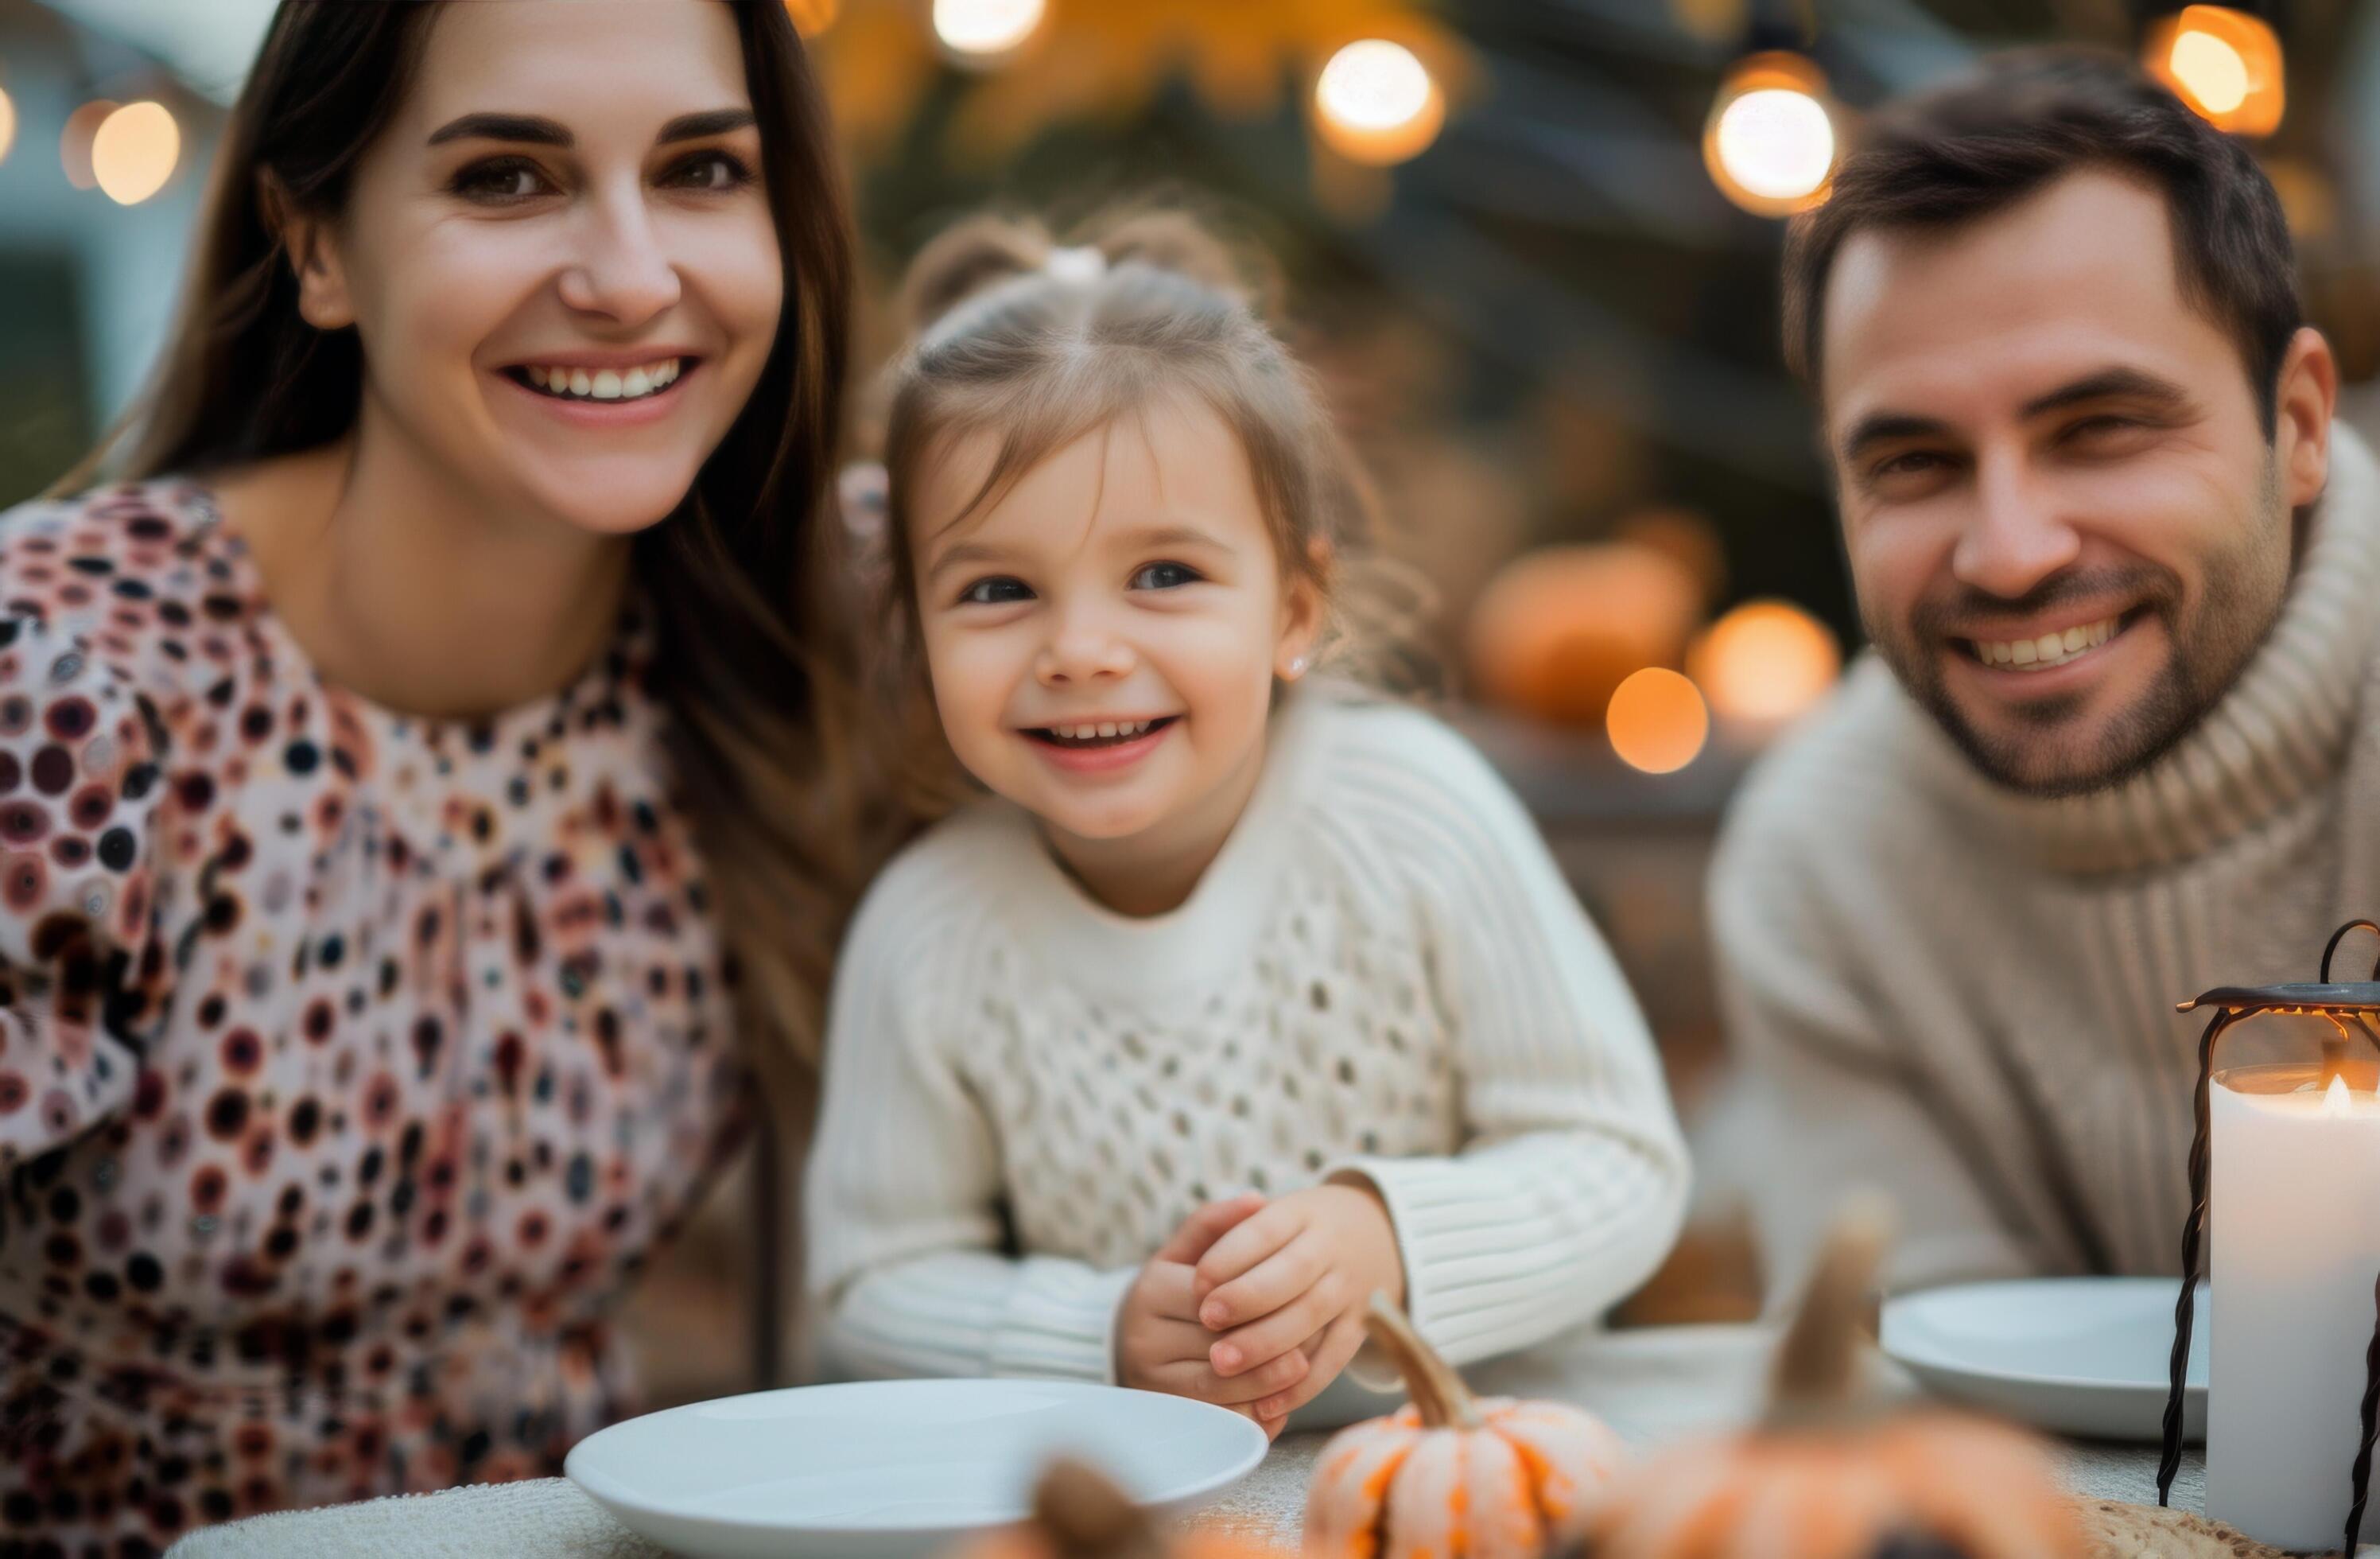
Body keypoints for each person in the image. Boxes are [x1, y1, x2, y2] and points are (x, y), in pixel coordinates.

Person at [0, 2, 879, 1547]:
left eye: (702, 171)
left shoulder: (800, 633)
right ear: (318, 244)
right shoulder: (63, 684)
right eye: (506, 181)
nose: (627, 276)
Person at [802, 212, 1690, 1435]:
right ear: (914, 629)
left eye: (1163, 574)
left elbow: (1618, 1162)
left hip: (1480, 1474)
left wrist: (1391, 1240)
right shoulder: (932, 932)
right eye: (997, 590)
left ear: (1291, 606)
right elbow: (870, 1280)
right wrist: (1099, 1332)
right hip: (1158, 1511)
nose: (1081, 652)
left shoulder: (1411, 814)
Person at [1710, 50, 2371, 1301]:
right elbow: (1932, 1386)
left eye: (2100, 430)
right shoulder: (1816, 859)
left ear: (2292, 425)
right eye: (1912, 462)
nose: (2009, 554)